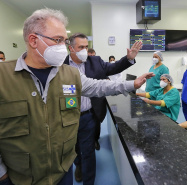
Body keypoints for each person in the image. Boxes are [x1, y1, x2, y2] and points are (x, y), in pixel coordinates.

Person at [0, 8, 154, 185]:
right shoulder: (4, 77)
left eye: (63, 42)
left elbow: (99, 86)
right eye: (58, 40)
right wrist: (2, 175)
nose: (62, 47)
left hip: (63, 170)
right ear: (34, 40)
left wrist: (131, 84)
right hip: (20, 177)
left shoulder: (70, 74)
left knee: (86, 151)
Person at [64, 33, 142, 184]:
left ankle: (88, 181)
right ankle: (78, 165)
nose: (84, 50)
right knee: (72, 149)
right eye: (80, 47)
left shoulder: (95, 61)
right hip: (66, 117)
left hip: (88, 115)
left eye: (86, 47)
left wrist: (129, 58)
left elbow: (114, 68)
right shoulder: (60, 65)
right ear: (71, 48)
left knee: (88, 151)